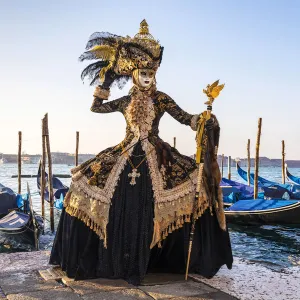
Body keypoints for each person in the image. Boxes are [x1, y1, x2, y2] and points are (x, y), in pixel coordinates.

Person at [50, 19, 233, 285]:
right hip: (125, 152)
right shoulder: (126, 100)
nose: (148, 78)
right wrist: (106, 81)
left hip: (157, 155)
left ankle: (168, 258)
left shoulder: (162, 99)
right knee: (82, 184)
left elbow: (185, 118)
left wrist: (203, 119)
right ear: (135, 74)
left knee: (196, 183)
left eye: (151, 74)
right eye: (143, 73)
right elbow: (96, 108)